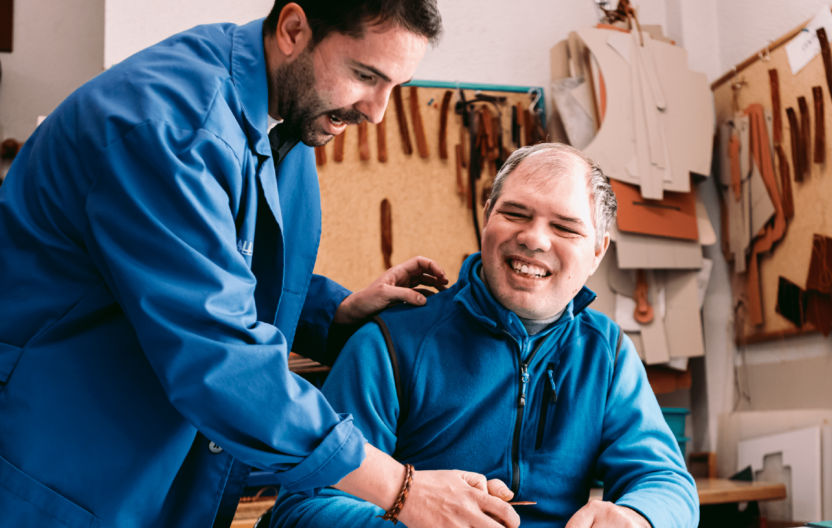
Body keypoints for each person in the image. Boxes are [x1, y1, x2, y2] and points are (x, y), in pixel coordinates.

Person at [0, 0, 520, 527]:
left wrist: (331, 313)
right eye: (366, 75)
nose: (377, 113)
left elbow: (216, 265)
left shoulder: (285, 119)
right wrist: (399, 488)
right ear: (293, 29)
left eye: (395, 85)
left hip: (134, 462)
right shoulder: (171, 129)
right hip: (30, 457)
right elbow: (219, 355)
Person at [268, 143, 700, 528]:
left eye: (565, 227)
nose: (533, 238)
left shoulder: (605, 352)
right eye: (515, 213)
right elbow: (302, 510)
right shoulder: (389, 342)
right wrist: (407, 516)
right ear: (487, 213)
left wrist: (637, 516)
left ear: (598, 251)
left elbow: (666, 482)